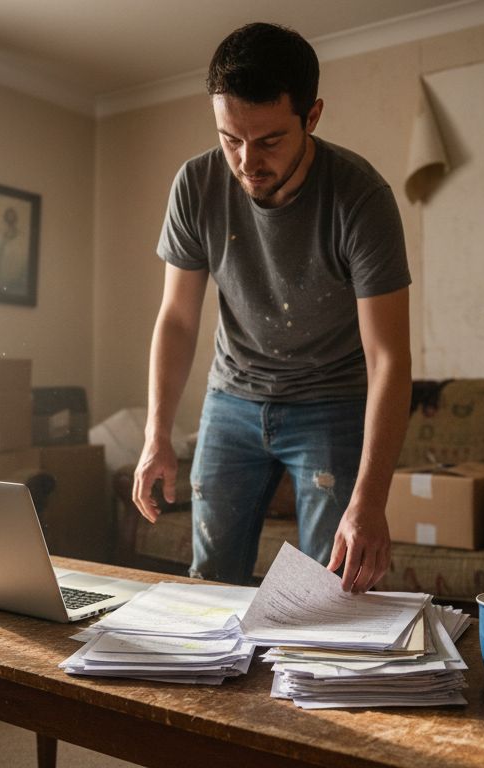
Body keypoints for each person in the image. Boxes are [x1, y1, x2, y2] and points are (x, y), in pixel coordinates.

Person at [131, 22, 411, 593]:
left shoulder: (360, 199)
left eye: (269, 140)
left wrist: (370, 500)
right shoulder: (196, 184)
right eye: (230, 138)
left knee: (324, 593)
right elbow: (178, 319)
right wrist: (157, 433)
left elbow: (389, 358)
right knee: (209, 583)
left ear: (311, 117)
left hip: (331, 400)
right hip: (231, 398)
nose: (246, 161)